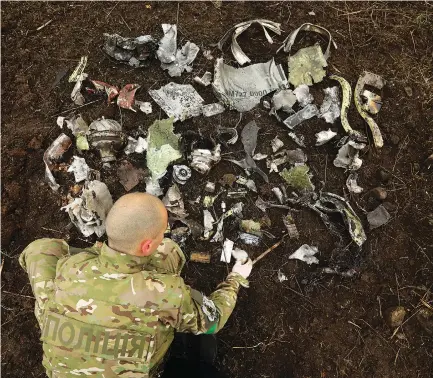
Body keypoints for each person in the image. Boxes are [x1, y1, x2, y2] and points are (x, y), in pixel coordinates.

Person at [19, 192, 253, 378]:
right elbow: (212, 321)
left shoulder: (70, 267)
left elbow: (46, 253)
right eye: (163, 233)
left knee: (42, 257)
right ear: (147, 246)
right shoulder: (165, 292)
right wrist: (235, 279)